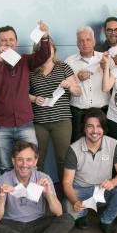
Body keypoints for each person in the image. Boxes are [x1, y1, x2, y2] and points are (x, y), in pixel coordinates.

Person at [0, 141, 74, 233]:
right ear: (13, 161)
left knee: (67, 219)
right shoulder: (2, 180)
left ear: (35, 161)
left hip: (38, 224)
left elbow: (58, 212)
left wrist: (48, 193)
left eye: (29, 160)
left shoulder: (43, 177)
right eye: (20, 159)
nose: (24, 164)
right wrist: (2, 195)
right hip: (13, 226)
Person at [0, 22, 51, 174]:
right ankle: (9, 191)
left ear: (17, 42)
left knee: (30, 167)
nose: (8, 43)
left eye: (11, 39)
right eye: (3, 40)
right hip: (2, 126)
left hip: (24, 123)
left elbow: (44, 55)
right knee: (6, 167)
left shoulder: (25, 60)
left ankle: (30, 191)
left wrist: (45, 36)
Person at [62, 109, 117, 233]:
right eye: (90, 126)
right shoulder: (73, 149)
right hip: (81, 191)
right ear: (84, 128)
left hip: (103, 189)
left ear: (104, 128)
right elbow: (66, 182)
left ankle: (106, 220)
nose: (95, 131)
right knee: (68, 207)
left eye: (99, 126)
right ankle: (82, 214)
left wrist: (113, 182)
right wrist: (75, 201)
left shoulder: (114, 144)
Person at [29, 37, 81, 179]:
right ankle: (37, 191)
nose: (47, 51)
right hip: (39, 122)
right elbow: (23, 94)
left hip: (62, 121)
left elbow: (78, 92)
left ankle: (66, 191)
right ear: (37, 52)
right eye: (43, 48)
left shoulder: (64, 67)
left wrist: (70, 86)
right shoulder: (31, 71)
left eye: (49, 47)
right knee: (37, 160)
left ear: (54, 50)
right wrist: (34, 98)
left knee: (63, 159)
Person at [65, 26, 110, 141]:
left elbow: (114, 82)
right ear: (77, 44)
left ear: (94, 41)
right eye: (81, 41)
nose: (85, 43)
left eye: (88, 40)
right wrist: (77, 79)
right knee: (77, 146)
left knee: (103, 145)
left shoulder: (105, 59)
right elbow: (63, 87)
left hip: (102, 111)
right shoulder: (69, 61)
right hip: (78, 113)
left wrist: (106, 68)